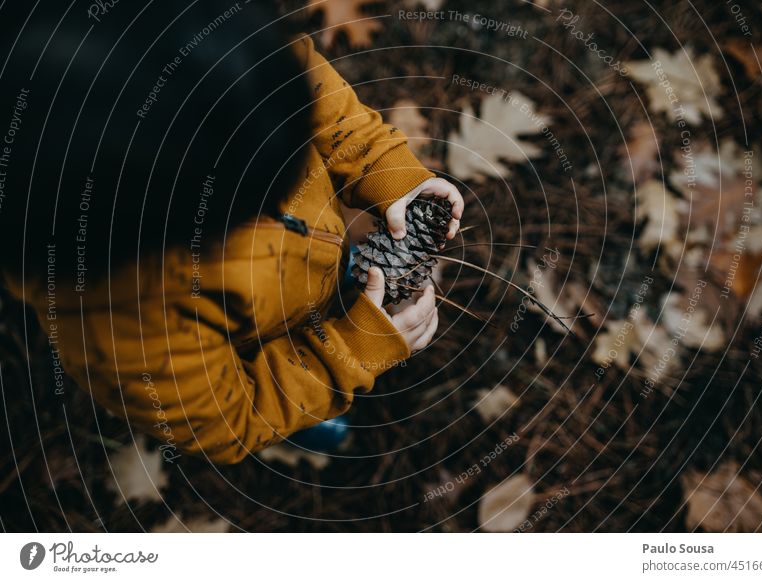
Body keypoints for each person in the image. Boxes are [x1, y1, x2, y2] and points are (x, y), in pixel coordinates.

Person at [0, 2, 463, 463]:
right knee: (288, 396)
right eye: (244, 199)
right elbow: (230, 420)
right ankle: (311, 411)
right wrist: (344, 357)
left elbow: (309, 85)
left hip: (312, 261)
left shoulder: (212, 42)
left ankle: (339, 286)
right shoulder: (130, 327)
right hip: (259, 343)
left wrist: (384, 165)